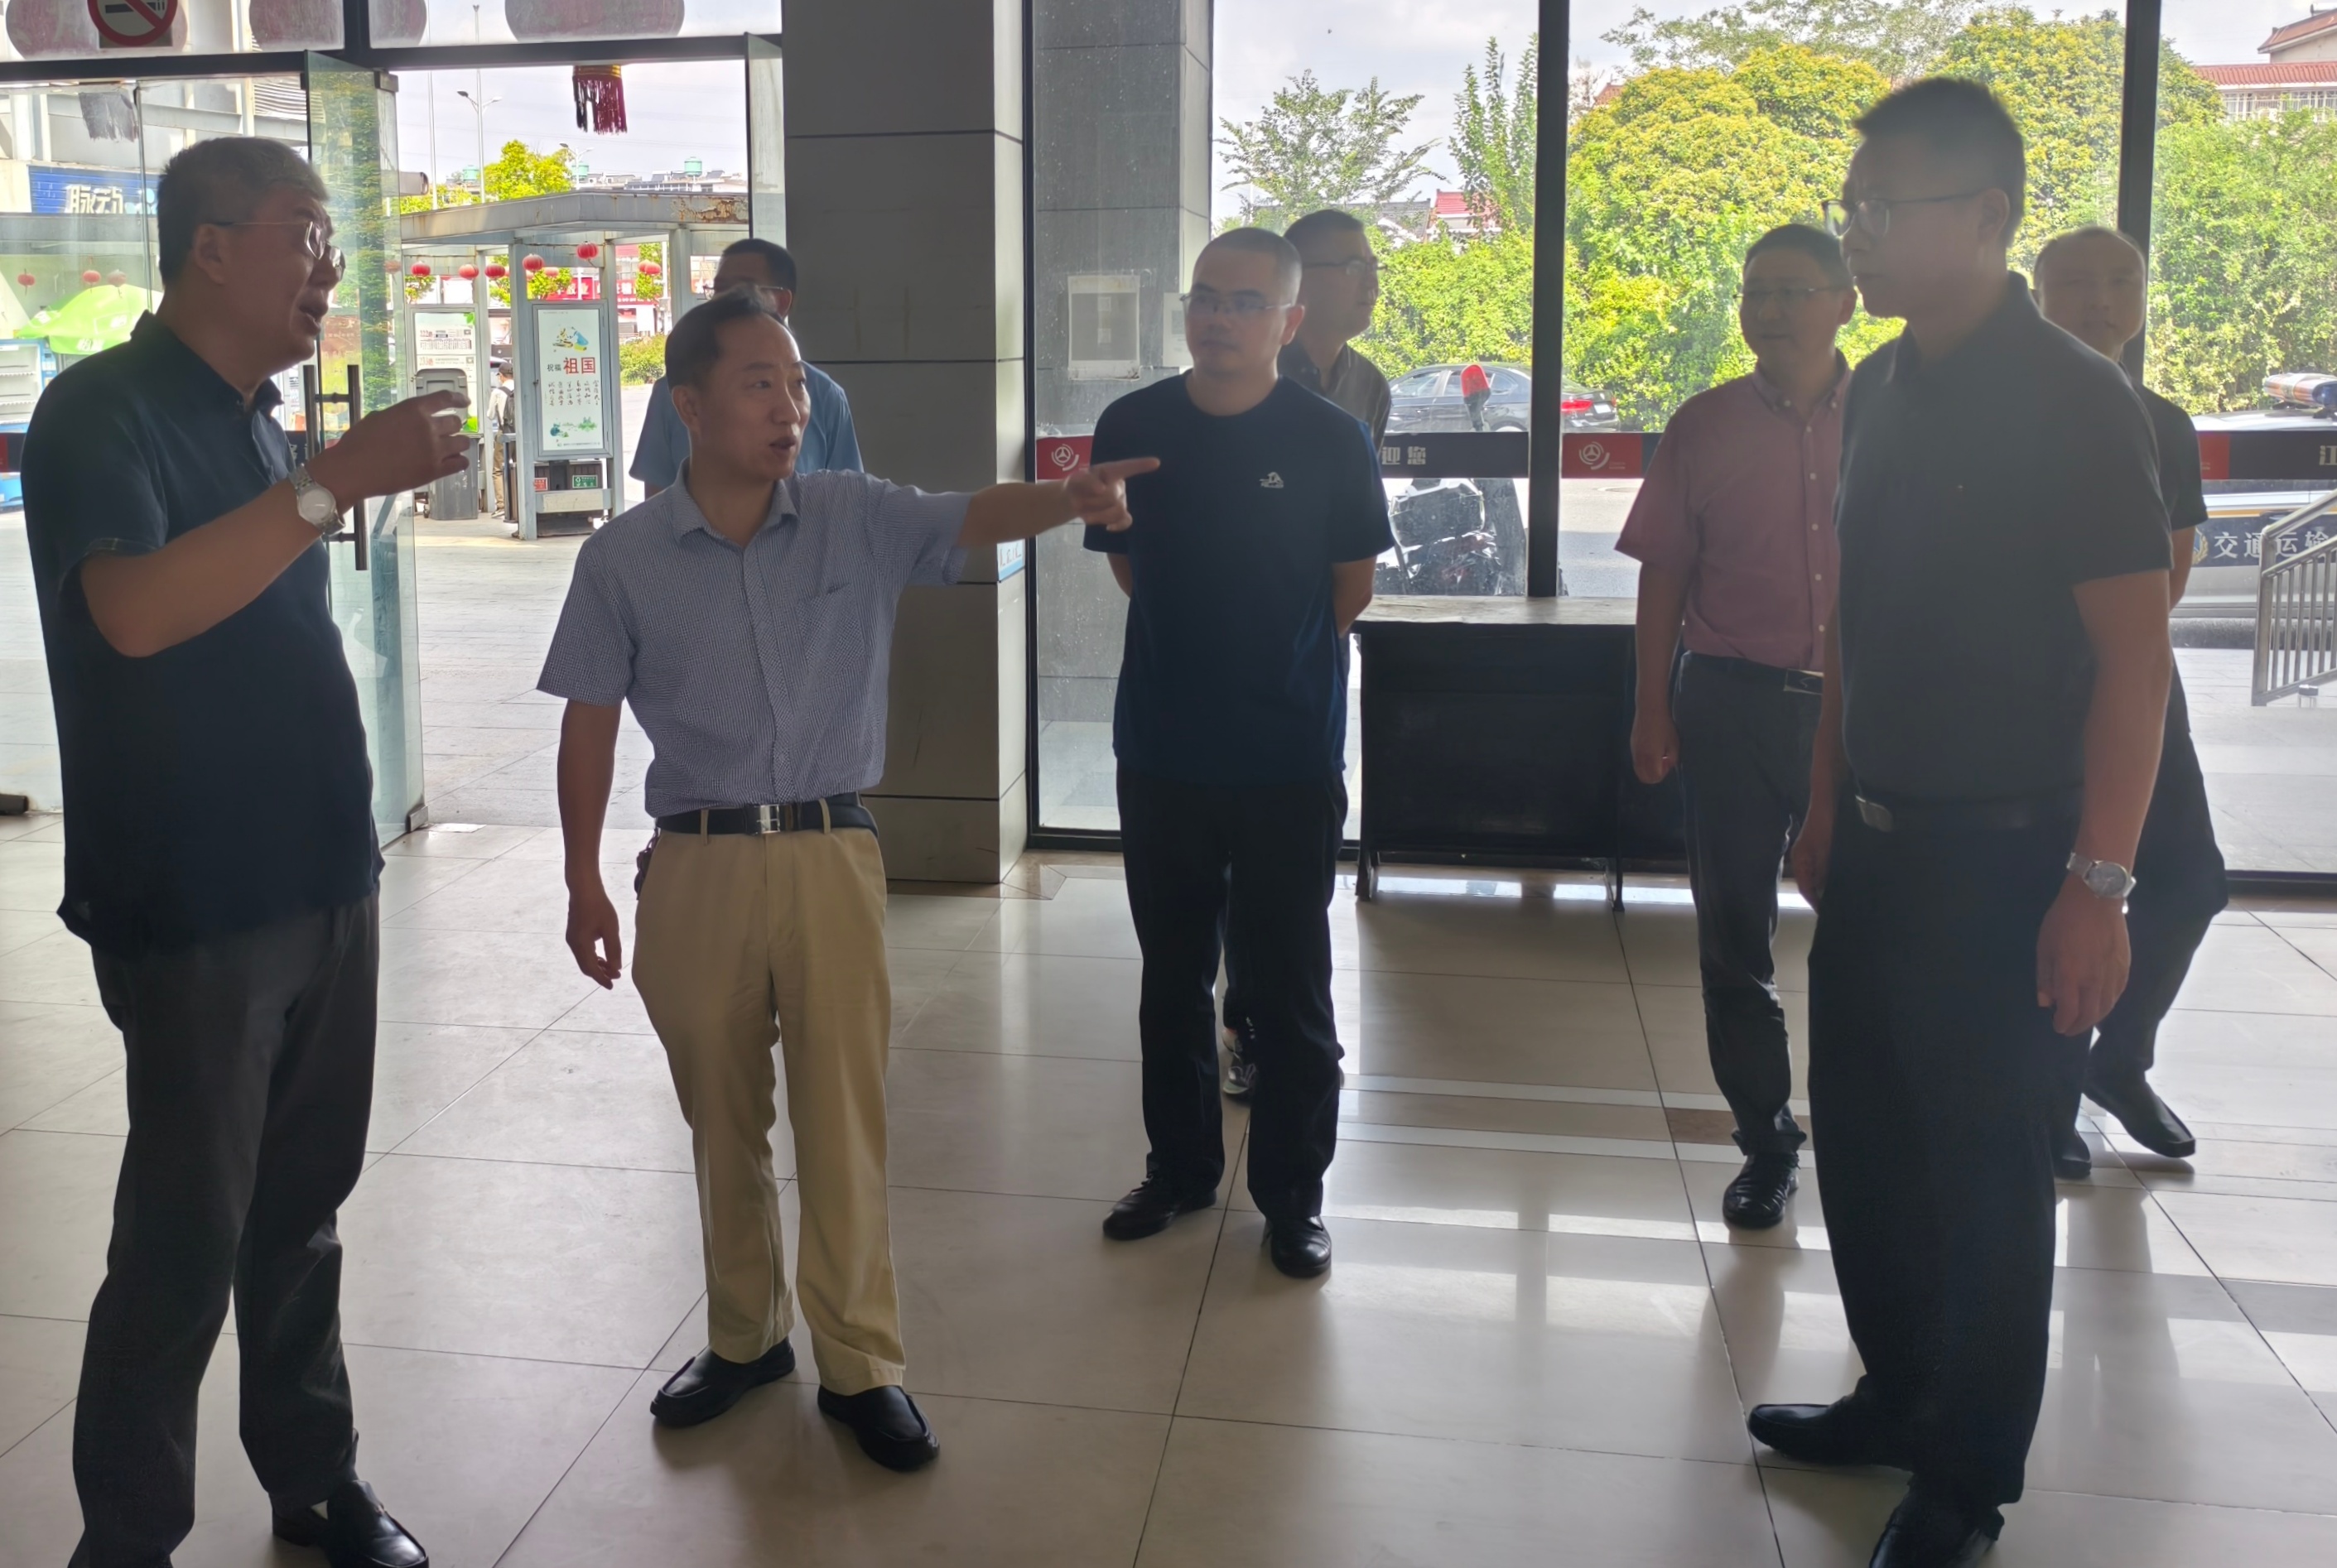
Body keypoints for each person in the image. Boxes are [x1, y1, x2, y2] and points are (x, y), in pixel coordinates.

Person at [543, 287, 1152, 1470]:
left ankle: (862, 1362)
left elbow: (971, 512)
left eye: (797, 381)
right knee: (720, 1117)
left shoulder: (850, 514)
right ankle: (743, 1338)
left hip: (829, 851)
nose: (790, 405)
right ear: (688, 407)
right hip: (696, 860)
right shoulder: (622, 558)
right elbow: (588, 723)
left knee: (842, 1116)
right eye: (759, 383)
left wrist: (1067, 497)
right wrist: (581, 880)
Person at [22, 137, 467, 1568]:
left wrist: (318, 478)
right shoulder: (101, 409)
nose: (328, 266)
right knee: (184, 1233)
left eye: (332, 240)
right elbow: (136, 613)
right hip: (197, 893)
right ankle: (127, 1535)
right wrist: (331, 485)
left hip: (325, 867)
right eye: (306, 234)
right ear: (209, 246)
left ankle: (315, 1476)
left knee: (301, 1206)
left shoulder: (263, 422)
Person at [1753, 81, 2176, 1568]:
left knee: (1986, 1170)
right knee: (1866, 1138)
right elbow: (1848, 624)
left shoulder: (2075, 400)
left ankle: (1965, 1477)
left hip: (2011, 858)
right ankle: (1897, 1391)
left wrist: (2098, 883)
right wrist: (1823, 800)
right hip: (1878, 842)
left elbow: (2135, 660)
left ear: (1986, 217)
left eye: (1883, 210)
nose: (1858, 235)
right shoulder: (1876, 388)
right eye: (1851, 207)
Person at [1088, 228, 1393, 1280]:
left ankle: (1292, 1198)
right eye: (1204, 297)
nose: (1217, 318)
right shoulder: (1132, 424)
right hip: (1163, 745)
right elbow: (1129, 567)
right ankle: (1178, 1170)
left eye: (1245, 303)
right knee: (1171, 977)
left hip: (1284, 752)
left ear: (1288, 321)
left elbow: (1349, 588)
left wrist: (1270, 664)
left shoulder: (1329, 437)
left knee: (1288, 985)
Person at [1617, 223, 1857, 1230]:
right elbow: (1664, 572)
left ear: (1844, 302)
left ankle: (1866, 1133)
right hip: (1729, 700)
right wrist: (1650, 705)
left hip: (1863, 710)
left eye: (1794, 290)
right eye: (1756, 291)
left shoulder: (1891, 418)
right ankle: (1764, 1139)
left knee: (1865, 933)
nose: (1771, 309)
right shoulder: (1702, 424)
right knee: (1731, 936)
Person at [2032, 224, 2220, 1178]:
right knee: (2045, 892)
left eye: (2120, 280)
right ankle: (2047, 1096)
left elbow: (2170, 574)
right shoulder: (2006, 414)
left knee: (2189, 882)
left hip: (2136, 681)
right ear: (2036, 298)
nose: (2099, 299)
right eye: (2075, 282)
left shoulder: (2161, 422)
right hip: (2030, 692)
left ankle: (2119, 1062)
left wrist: (2123, 647)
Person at [1198, 207, 1396, 1104]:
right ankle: (1247, 1025)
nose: (1371, 282)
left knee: (1298, 860)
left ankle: (1290, 1021)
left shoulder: (1364, 386)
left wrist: (1310, 638)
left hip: (1308, 656)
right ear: (1302, 285)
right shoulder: (1233, 385)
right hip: (1219, 661)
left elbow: (1351, 550)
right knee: (1227, 865)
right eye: (1354, 266)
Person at [630, 237, 861, 493]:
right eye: (719, 289)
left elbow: (847, 496)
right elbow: (656, 499)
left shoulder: (826, 396)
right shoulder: (675, 389)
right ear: (689, 406)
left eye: (741, 290)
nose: (789, 413)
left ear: (781, 302)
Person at [488, 358, 516, 517]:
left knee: (498, 470)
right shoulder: (521, 389)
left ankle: (502, 506)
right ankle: (519, 502)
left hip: (504, 433)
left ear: (501, 376)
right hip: (520, 435)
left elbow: (490, 415)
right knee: (519, 467)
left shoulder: (498, 392)